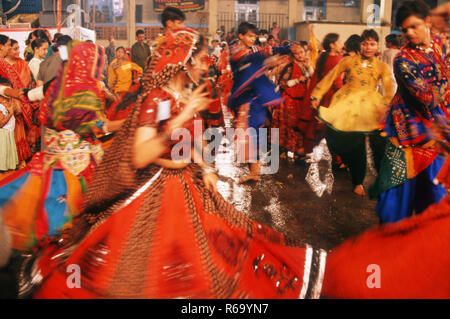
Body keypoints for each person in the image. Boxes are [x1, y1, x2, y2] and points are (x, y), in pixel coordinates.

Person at [30, 28, 322, 299]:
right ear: (182, 62)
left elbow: (187, 141)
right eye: (200, 60)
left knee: (216, 249)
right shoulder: (156, 98)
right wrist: (182, 124)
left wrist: (205, 167)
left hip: (186, 182)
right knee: (154, 268)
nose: (206, 66)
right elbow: (141, 156)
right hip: (157, 190)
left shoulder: (179, 96)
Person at [0, 41, 125, 251]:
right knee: (79, 217)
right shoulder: (84, 91)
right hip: (76, 165)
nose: (98, 68)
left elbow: (28, 96)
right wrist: (129, 122)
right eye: (96, 62)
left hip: (52, 160)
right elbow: (98, 126)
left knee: (46, 212)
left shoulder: (56, 85)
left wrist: (6, 90)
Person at [369, 0, 449, 223]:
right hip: (405, 136)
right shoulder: (403, 60)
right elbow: (429, 98)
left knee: (434, 198)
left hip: (435, 134)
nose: (409, 33)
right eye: (405, 29)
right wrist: (445, 82)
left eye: (414, 26)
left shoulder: (439, 45)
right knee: (394, 204)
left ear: (428, 22)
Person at [311, 29, 395, 196]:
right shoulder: (348, 61)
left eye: (372, 44)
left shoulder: (382, 66)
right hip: (348, 104)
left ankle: (383, 181)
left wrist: (387, 105)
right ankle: (358, 181)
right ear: (360, 45)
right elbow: (330, 76)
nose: (368, 47)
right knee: (354, 145)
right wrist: (316, 95)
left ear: (377, 46)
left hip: (372, 107)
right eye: (365, 44)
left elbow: (389, 88)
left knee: (379, 145)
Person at [228, 22, 293, 183]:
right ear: (241, 36)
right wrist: (267, 60)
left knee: (253, 130)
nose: (252, 39)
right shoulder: (235, 49)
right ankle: (254, 171)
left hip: (258, 97)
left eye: (254, 36)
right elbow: (248, 60)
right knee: (250, 132)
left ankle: (254, 171)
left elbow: (271, 52)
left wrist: (290, 48)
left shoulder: (257, 50)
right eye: (249, 36)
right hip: (244, 97)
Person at [302, 33, 344, 154]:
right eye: (339, 41)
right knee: (332, 128)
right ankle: (338, 159)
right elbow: (337, 83)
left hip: (322, 95)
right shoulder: (336, 60)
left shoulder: (323, 57)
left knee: (319, 128)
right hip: (332, 97)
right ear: (332, 45)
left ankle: (303, 150)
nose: (341, 43)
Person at [276, 44, 312, 159]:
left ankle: (298, 151)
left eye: (302, 52)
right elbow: (282, 83)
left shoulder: (305, 65)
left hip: (302, 100)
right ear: (293, 55)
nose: (300, 55)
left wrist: (308, 66)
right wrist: (297, 80)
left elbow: (311, 77)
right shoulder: (290, 66)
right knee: (288, 126)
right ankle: (284, 150)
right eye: (297, 53)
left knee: (300, 126)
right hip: (290, 100)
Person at [106, 47, 143, 120]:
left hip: (127, 91)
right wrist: (112, 90)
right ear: (115, 53)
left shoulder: (128, 64)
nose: (119, 53)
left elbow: (140, 69)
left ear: (124, 54)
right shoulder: (113, 65)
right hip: (117, 91)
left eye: (121, 52)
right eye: (118, 51)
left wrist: (138, 78)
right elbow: (111, 79)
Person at [0, 78, 19, 171]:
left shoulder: (7, 103)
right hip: (3, 134)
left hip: (8, 132)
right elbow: (0, 124)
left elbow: (19, 110)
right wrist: (10, 113)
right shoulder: (0, 106)